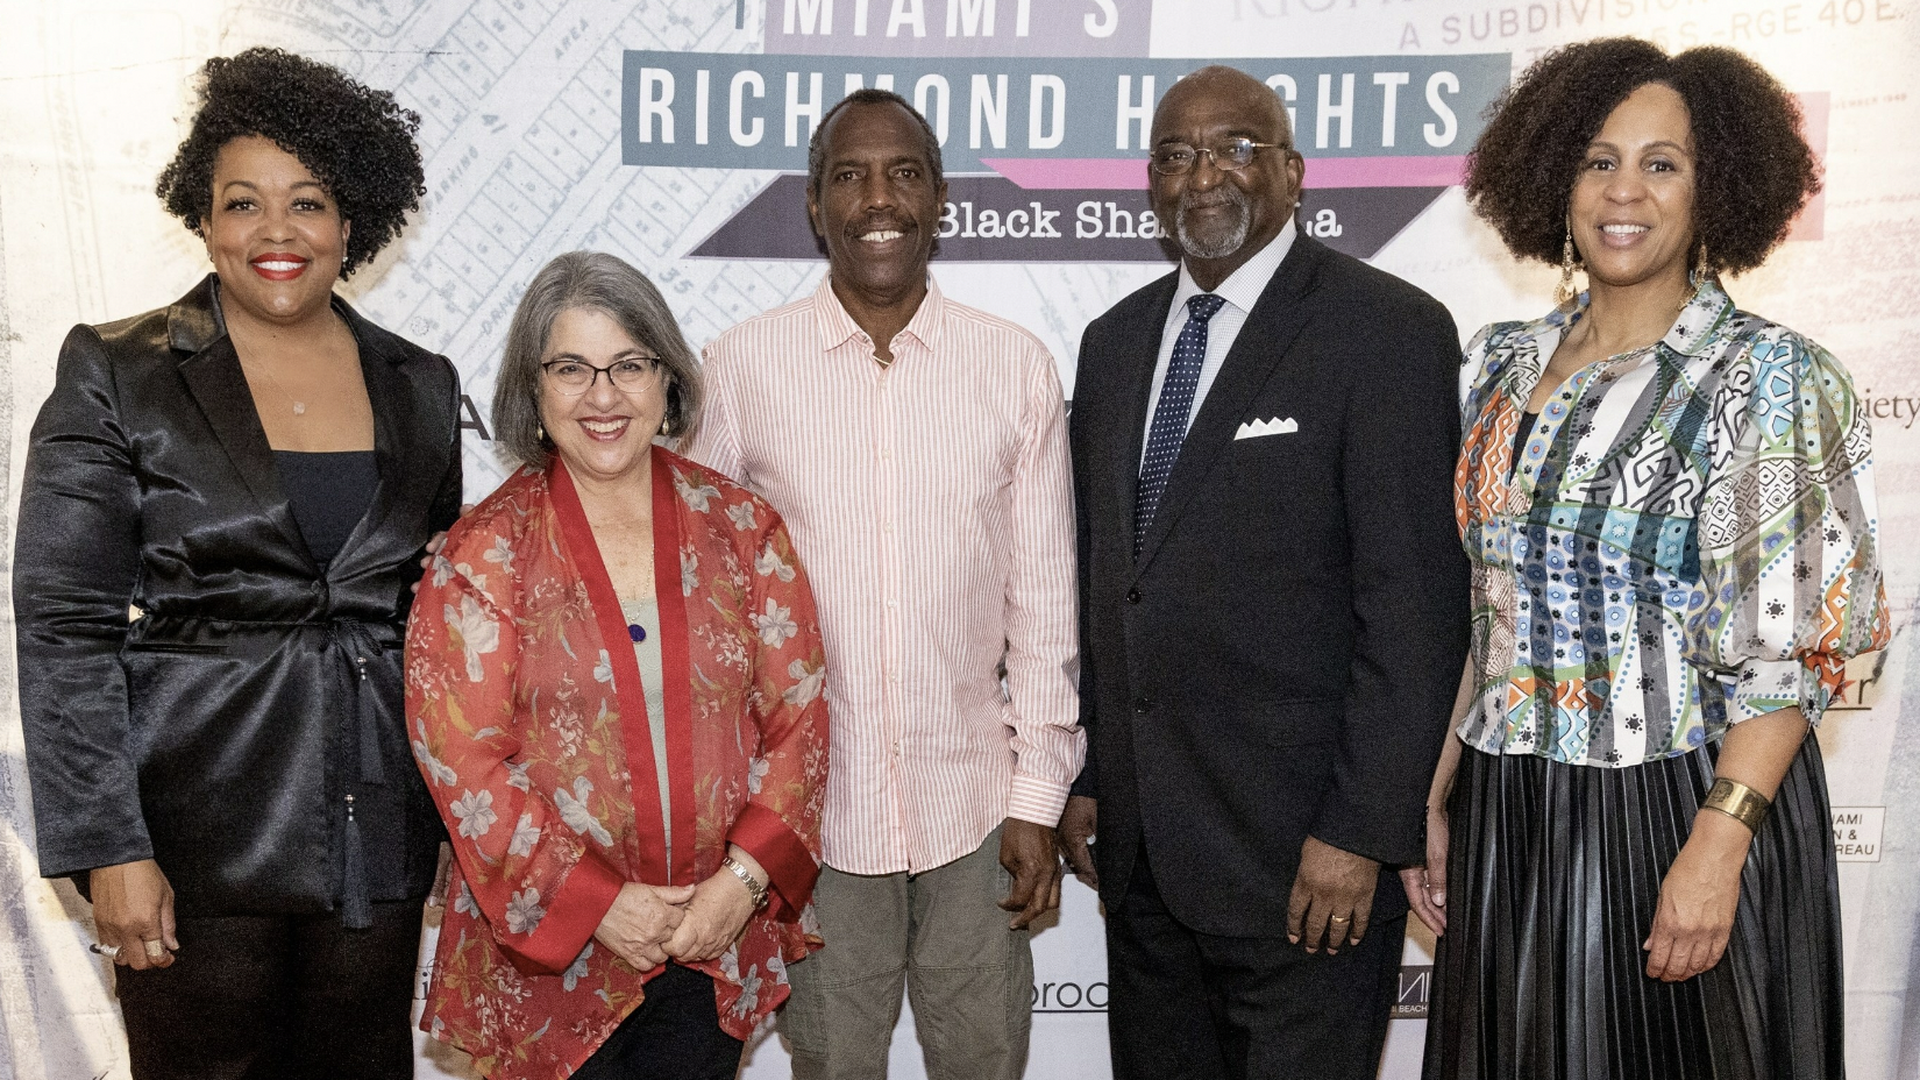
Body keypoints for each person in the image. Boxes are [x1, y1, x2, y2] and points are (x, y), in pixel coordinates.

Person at [1404, 39, 1886, 1080]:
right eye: (1596, 160)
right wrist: (1436, 798)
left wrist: (1720, 846)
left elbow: (1797, 650)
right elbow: (1486, 612)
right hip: (1508, 810)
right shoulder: (1495, 365)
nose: (1624, 191)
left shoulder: (1765, 376)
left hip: (1685, 803)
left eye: (1662, 163)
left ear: (1716, 188)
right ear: (1551, 180)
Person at [13, 48, 459, 1079]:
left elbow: (436, 623)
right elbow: (64, 626)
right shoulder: (118, 372)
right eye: (243, 202)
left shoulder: (422, 385)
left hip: (374, 831)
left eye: (307, 203)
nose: (276, 232)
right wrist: (109, 847)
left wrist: (449, 826)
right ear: (202, 218)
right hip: (190, 833)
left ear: (354, 224)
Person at [1054, 64, 1470, 1080]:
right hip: (1146, 864)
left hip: (1304, 866)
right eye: (1177, 155)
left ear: (1293, 172)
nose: (1205, 176)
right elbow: (1112, 577)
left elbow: (1414, 607)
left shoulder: (1386, 331)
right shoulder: (1112, 347)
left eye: (1237, 148)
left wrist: (1363, 832)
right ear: (1149, 184)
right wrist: (1093, 775)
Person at [684, 88, 1081, 1080]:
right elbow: (704, 609)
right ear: (815, 205)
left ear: (940, 197)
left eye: (903, 173)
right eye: (849, 176)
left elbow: (1044, 605)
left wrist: (1038, 795)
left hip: (976, 813)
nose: (878, 200)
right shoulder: (741, 369)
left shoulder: (1015, 368)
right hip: (806, 822)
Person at [406, 250, 828, 1080]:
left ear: (668, 377)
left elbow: (800, 723)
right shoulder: (483, 554)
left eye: (628, 365)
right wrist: (601, 906)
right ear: (533, 390)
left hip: (712, 940)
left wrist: (738, 888)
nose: (603, 396)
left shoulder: (744, 530)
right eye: (571, 368)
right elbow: (462, 759)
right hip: (550, 959)